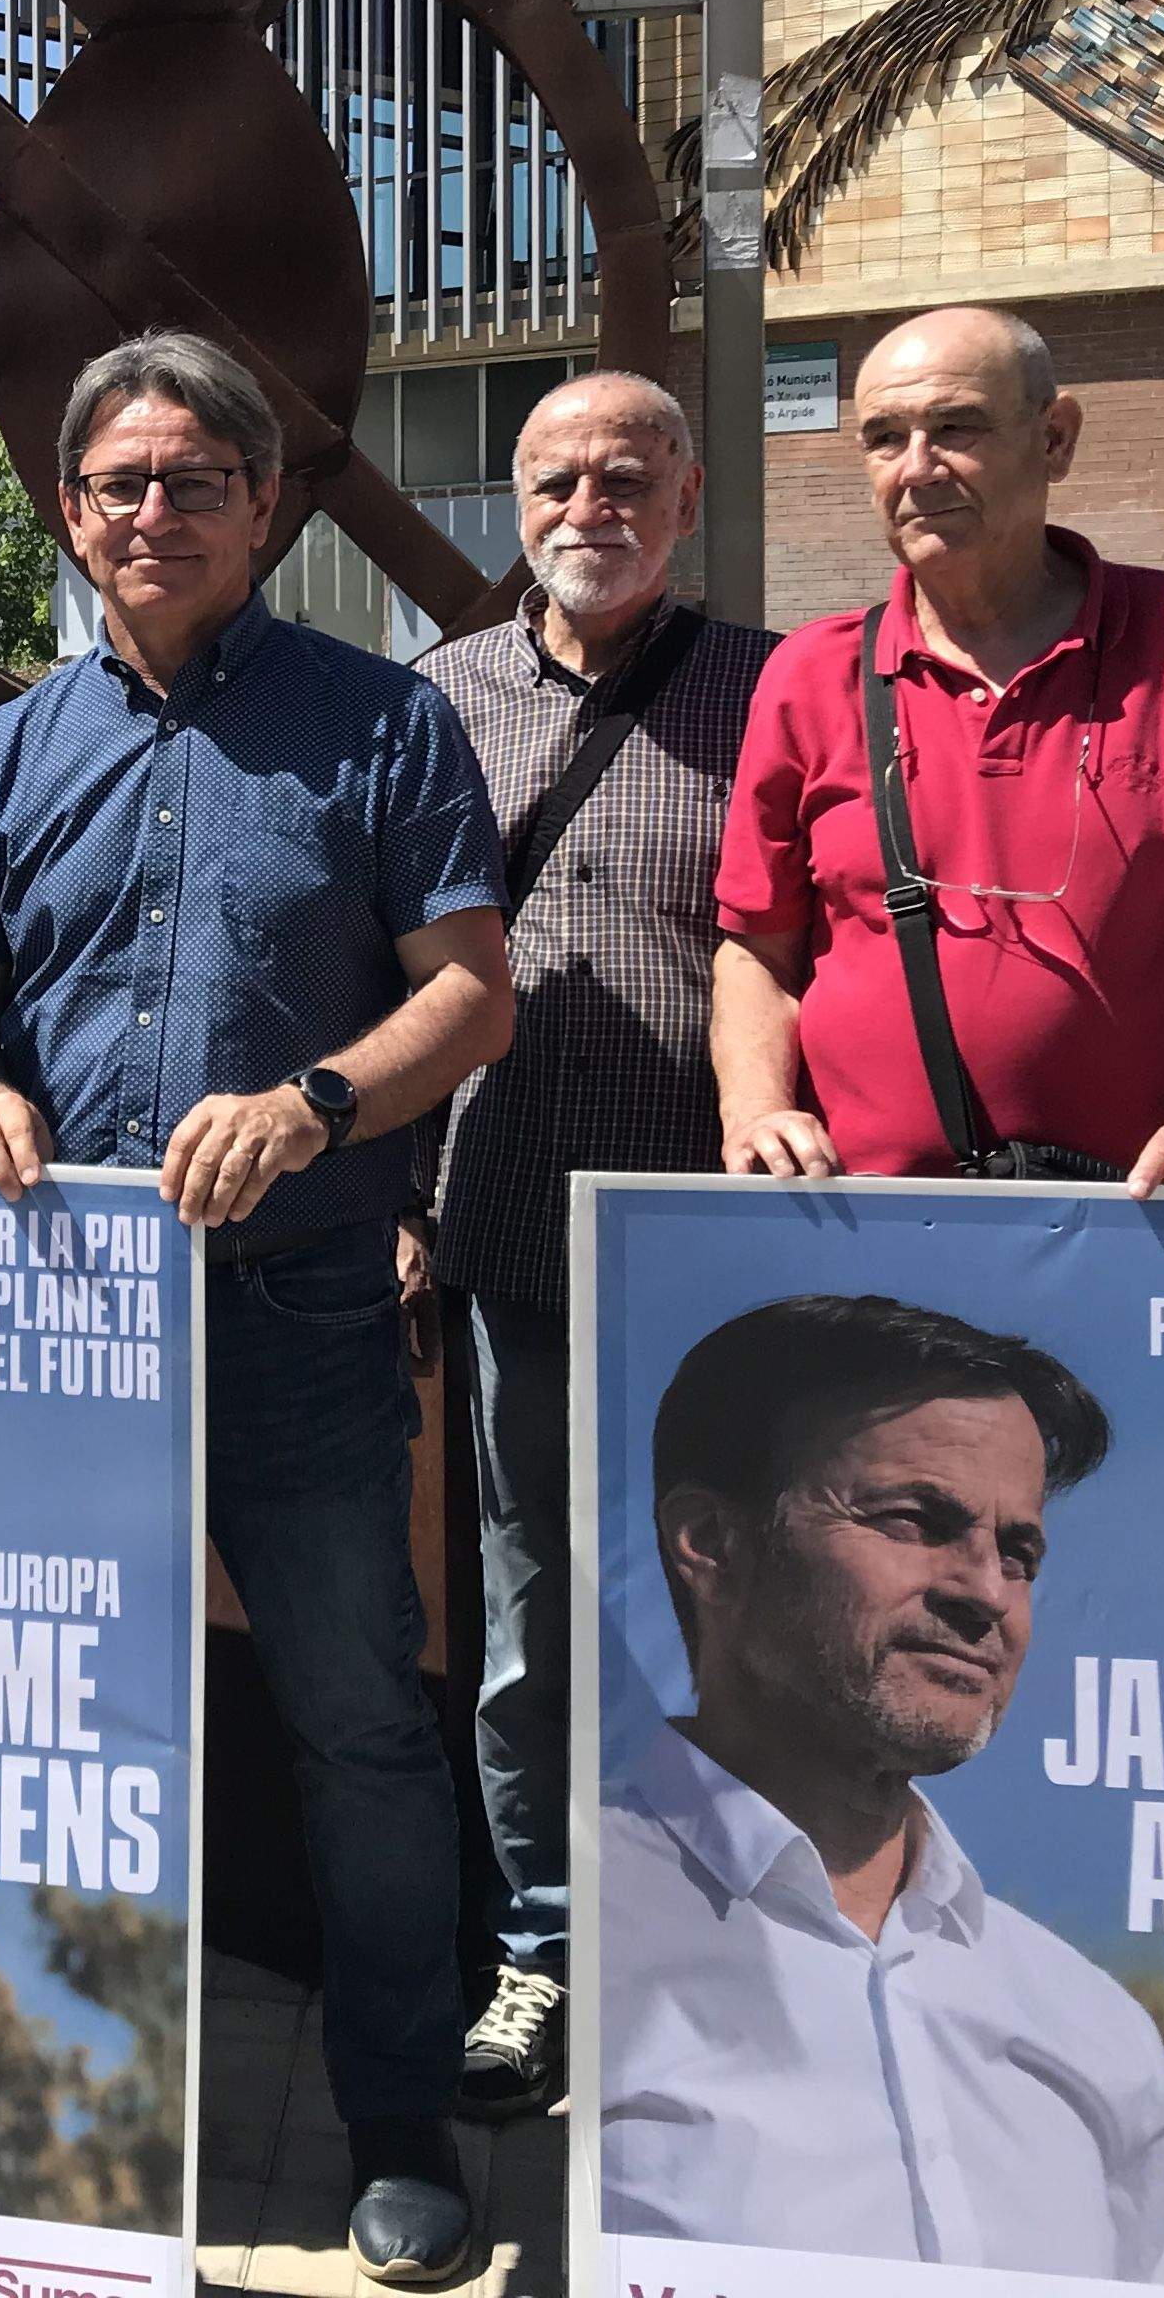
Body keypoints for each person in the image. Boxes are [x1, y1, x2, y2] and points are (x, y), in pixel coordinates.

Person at [0, 330, 517, 2286]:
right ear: (71, 513)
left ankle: (399, 2111)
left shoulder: (382, 726)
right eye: (118, 484)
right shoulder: (10, 749)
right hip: (60, 1322)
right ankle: (60, 2097)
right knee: (50, 1711)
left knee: (357, 1725)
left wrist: (320, 1100)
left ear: (267, 506)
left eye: (192, 480)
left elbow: (471, 992)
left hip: (300, 1311)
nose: (151, 512)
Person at [403, 369, 775, 2122]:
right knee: (529, 1619)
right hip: (505, 1231)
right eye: (553, 478)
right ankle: (544, 1951)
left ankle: (726, 1939)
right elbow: (371, 973)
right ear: (513, 500)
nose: (586, 508)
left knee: (740, 1613)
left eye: (624, 477)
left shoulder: (775, 692)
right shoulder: (437, 698)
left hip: (723, 1254)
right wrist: (400, 1195)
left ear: (684, 497)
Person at [599, 1294, 1164, 2281]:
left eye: (1019, 1553)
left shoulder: (1097, 2030)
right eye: (916, 1518)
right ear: (711, 1543)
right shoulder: (583, 1931)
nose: (986, 1593)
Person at [715, 306, 1164, 1193]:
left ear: (1054, 439)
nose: (916, 469)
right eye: (883, 438)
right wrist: (755, 1108)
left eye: (956, 429)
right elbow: (757, 951)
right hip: (864, 1219)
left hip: (1135, 1221)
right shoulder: (810, 675)